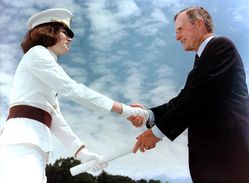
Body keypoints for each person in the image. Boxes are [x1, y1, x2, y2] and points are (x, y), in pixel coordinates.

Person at [0, 8, 148, 183]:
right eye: (65, 32)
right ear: (49, 31)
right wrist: (126, 110)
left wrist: (83, 154)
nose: (70, 38)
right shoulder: (38, 54)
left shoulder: (44, 62)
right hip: (22, 142)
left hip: (34, 144)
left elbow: (55, 117)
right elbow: (74, 89)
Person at [128, 6, 249, 183]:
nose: (177, 37)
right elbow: (180, 101)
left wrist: (157, 132)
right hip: (210, 165)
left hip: (231, 160)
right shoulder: (196, 70)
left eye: (180, 29)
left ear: (199, 24)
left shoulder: (221, 47)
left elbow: (199, 97)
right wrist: (147, 114)